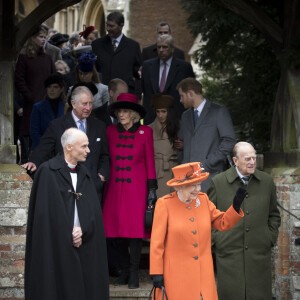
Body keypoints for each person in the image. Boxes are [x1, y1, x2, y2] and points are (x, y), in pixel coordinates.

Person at [25, 128, 109, 300]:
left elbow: (92, 211)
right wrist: (68, 231)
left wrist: (82, 228)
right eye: (84, 146)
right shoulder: (47, 172)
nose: (88, 150)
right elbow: (45, 215)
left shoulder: (85, 173)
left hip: (83, 241)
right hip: (56, 245)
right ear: (69, 147)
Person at [150, 162, 246, 300]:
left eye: (199, 184)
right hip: (176, 277)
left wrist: (235, 206)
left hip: (203, 276)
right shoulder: (164, 204)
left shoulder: (203, 200)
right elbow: (156, 243)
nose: (198, 189)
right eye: (193, 185)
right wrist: (156, 273)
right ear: (180, 186)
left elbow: (223, 222)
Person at [207, 142, 281, 300]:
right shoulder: (219, 183)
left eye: (254, 158)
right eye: (247, 159)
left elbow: (274, 215)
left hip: (259, 256)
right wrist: (218, 240)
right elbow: (207, 218)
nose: (252, 162)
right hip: (229, 257)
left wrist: (269, 237)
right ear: (235, 160)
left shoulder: (267, 182)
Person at [102, 93, 157, 289]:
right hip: (114, 188)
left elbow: (150, 161)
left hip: (137, 188)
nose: (122, 114)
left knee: (134, 232)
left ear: (134, 114)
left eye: (126, 111)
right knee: (114, 232)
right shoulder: (109, 131)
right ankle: (124, 269)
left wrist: (152, 189)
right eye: (119, 111)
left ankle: (133, 272)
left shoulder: (145, 132)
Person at [22, 86, 109, 200]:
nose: (88, 108)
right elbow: (43, 148)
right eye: (84, 104)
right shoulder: (57, 125)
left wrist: (102, 175)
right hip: (65, 185)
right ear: (73, 104)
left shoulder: (99, 126)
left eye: (90, 104)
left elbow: (104, 155)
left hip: (92, 186)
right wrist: (34, 161)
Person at [176, 77, 236, 193]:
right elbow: (183, 144)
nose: (180, 100)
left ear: (190, 93)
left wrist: (209, 162)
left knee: (209, 211)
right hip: (187, 180)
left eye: (182, 96)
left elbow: (229, 140)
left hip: (210, 176)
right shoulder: (185, 116)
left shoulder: (218, 111)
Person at [15, 24, 56, 163]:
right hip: (31, 106)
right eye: (40, 36)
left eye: (45, 37)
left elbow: (54, 78)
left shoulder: (48, 58)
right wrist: (30, 97)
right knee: (30, 141)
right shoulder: (24, 58)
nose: (43, 39)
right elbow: (19, 80)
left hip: (47, 105)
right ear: (32, 37)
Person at [142, 34, 195, 124]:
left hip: (176, 117)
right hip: (152, 117)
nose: (161, 50)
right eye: (159, 47)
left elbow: (191, 92)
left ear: (172, 48)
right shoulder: (147, 66)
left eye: (165, 47)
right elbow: (144, 88)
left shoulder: (184, 67)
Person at [92, 12, 142, 93]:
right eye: (107, 25)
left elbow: (138, 72)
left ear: (121, 25)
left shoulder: (133, 46)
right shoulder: (97, 45)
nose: (108, 28)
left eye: (111, 26)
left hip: (125, 93)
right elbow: (93, 70)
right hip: (103, 93)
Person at [148, 93, 180, 198]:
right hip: (159, 172)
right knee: (162, 204)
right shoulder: (149, 129)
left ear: (169, 112)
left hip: (176, 171)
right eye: (158, 111)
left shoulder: (179, 127)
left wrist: (183, 145)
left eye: (164, 111)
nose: (160, 115)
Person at [30, 73, 66, 150]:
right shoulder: (38, 107)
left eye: (55, 87)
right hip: (41, 150)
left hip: (62, 150)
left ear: (61, 89)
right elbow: (34, 133)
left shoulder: (67, 107)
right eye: (49, 87)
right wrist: (47, 147)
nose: (52, 90)